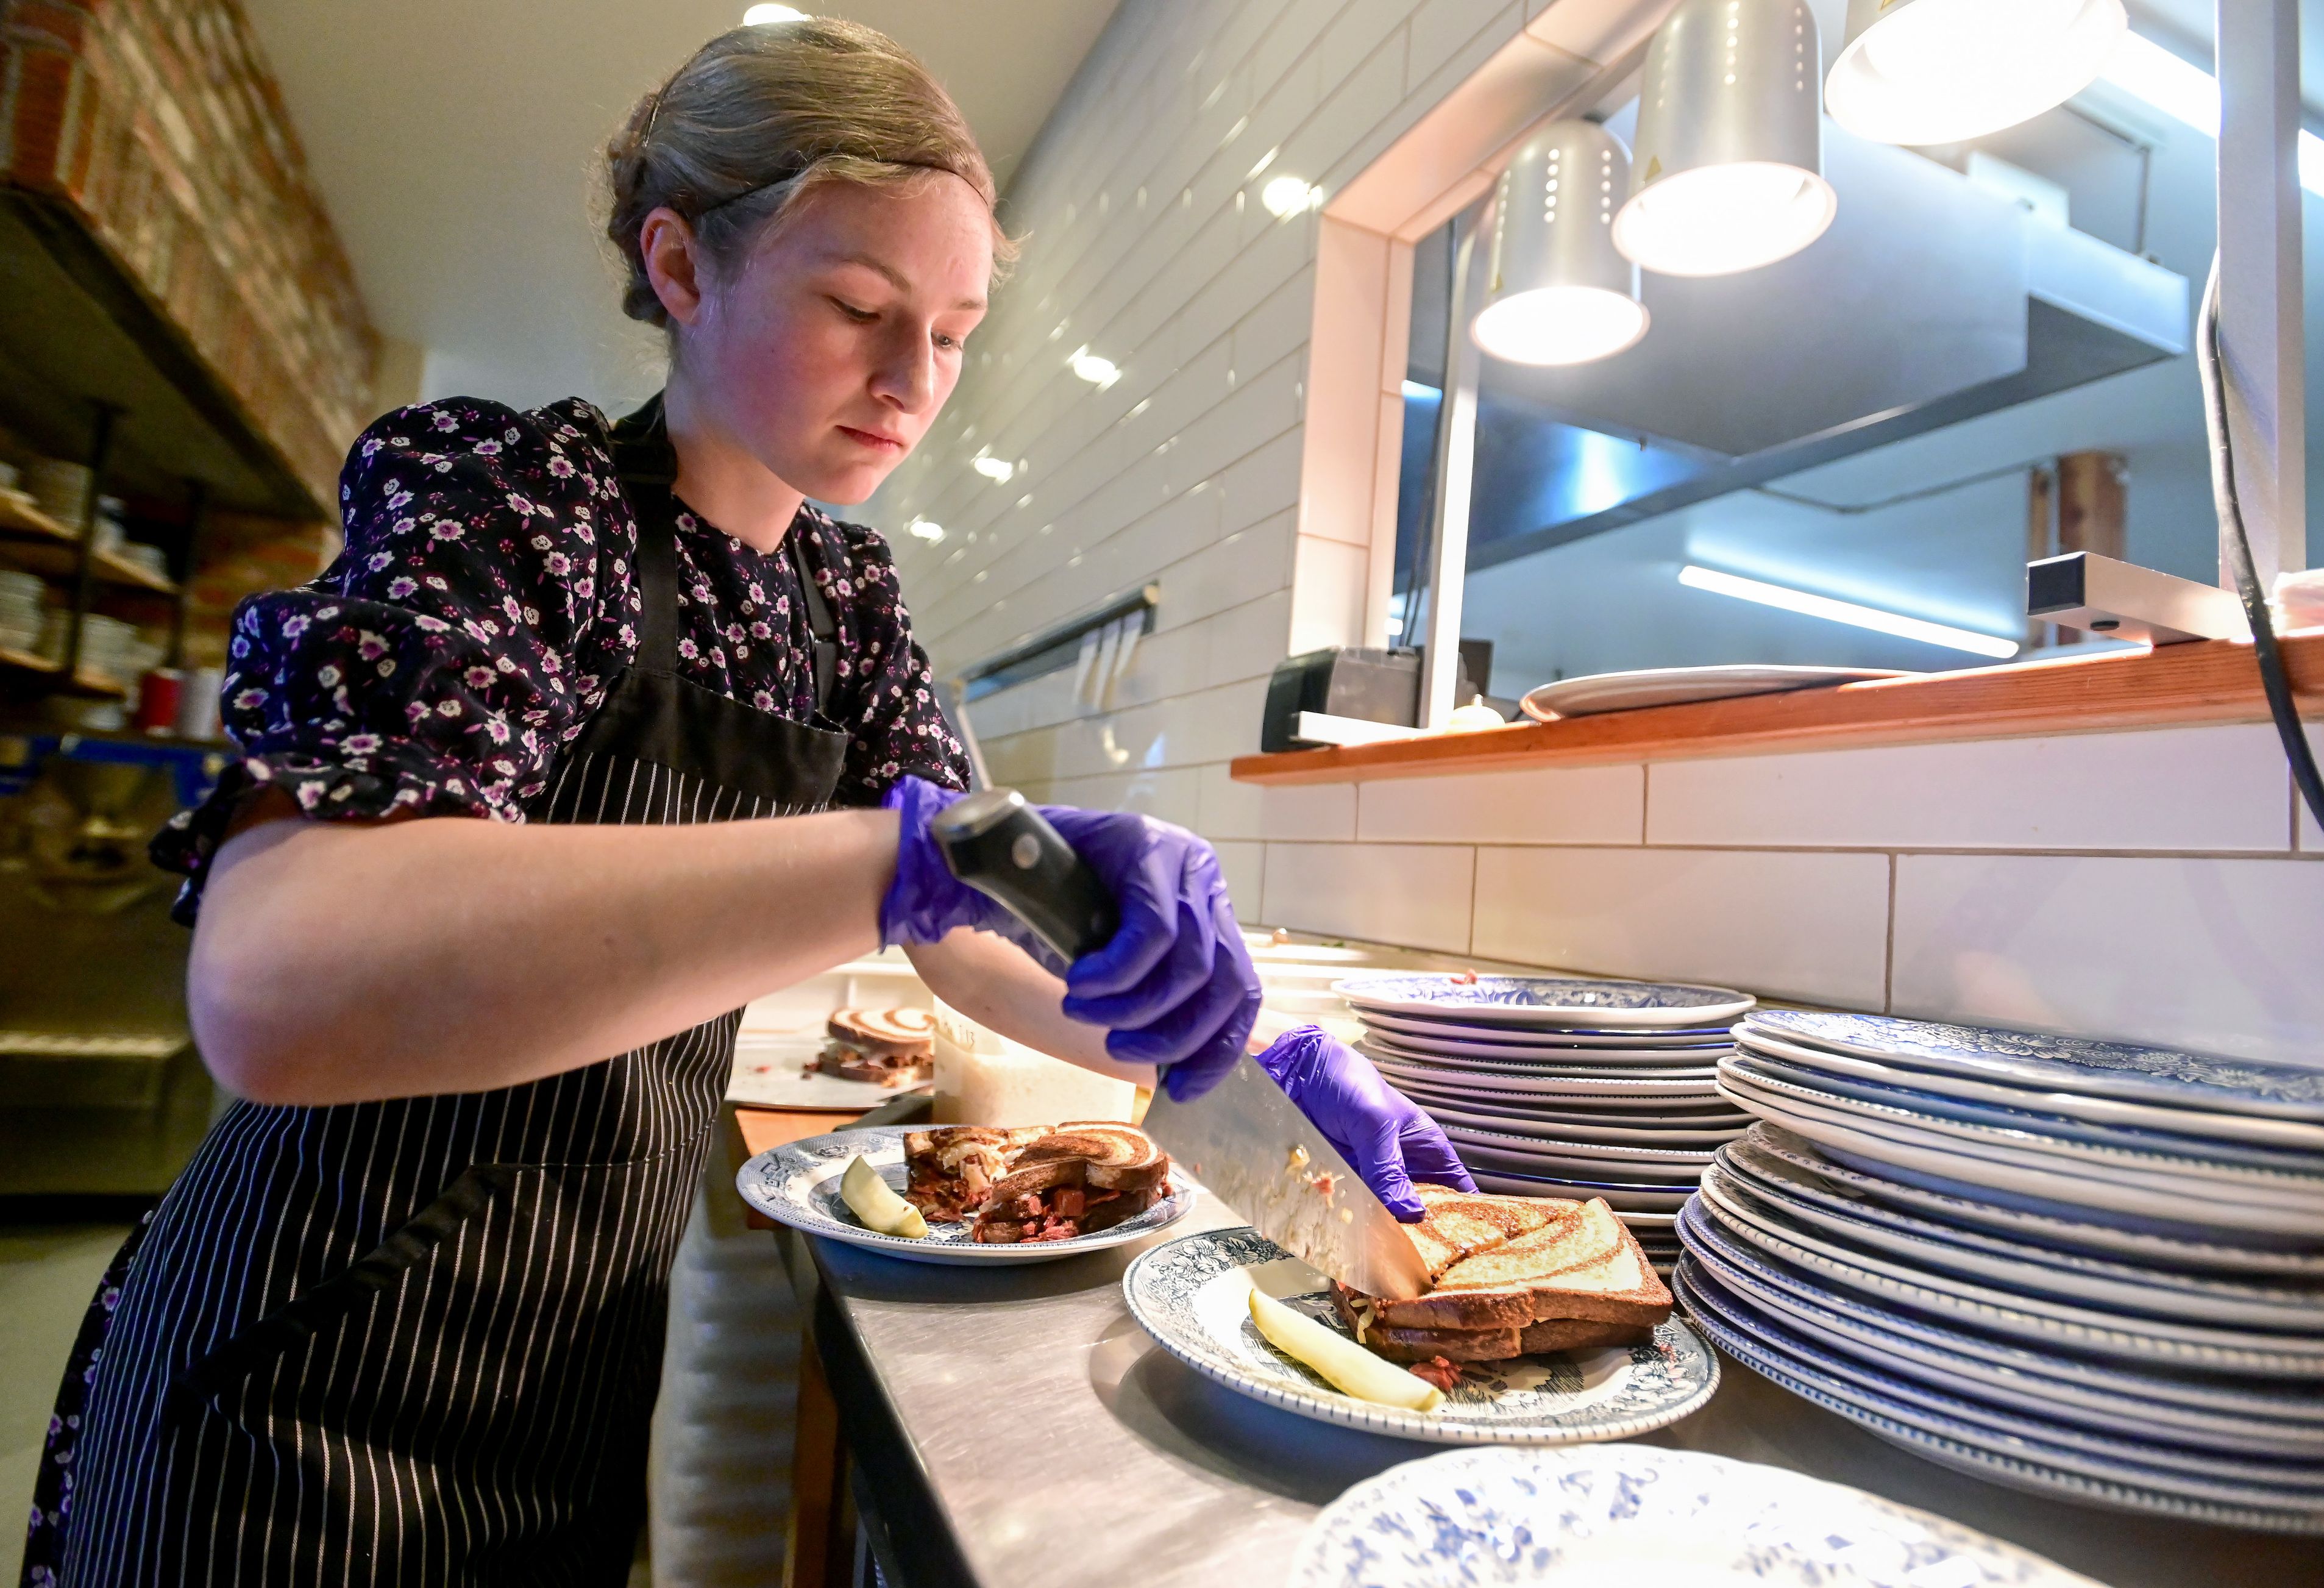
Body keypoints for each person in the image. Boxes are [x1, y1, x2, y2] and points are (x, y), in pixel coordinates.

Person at [22, 20, 1470, 1587]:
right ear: (683, 266)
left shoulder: (842, 599)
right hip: (298, 1382)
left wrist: (1239, 1060)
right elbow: (278, 983)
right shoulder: (516, 505)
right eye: (858, 307)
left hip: (564, 1380)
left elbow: (975, 939)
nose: (915, 380)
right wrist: (903, 858)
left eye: (957, 330)